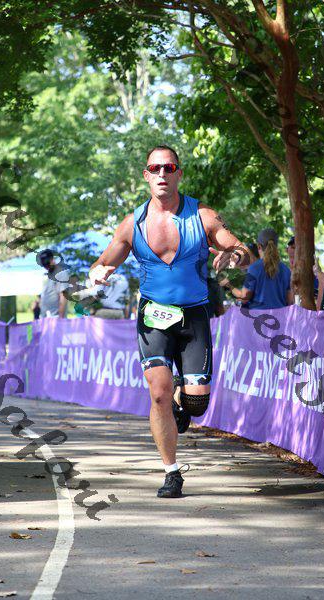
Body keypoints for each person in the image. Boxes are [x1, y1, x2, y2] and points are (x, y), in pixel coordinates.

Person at [89, 145, 250, 498]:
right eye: (155, 168)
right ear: (146, 175)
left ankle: (183, 393)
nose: (162, 173)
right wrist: (98, 273)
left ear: (179, 173)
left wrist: (234, 257)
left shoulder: (203, 216)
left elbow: (242, 249)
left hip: (194, 315)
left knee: (197, 404)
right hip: (153, 317)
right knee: (158, 395)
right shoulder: (132, 224)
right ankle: (171, 473)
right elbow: (103, 263)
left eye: (169, 167)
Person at [221, 228, 293, 309]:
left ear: (259, 246)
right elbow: (290, 301)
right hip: (280, 315)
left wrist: (229, 285)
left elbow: (244, 298)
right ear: (276, 246)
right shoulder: (286, 270)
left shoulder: (254, 268)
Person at [38, 249, 70, 318]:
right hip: (45, 317)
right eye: (44, 265)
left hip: (56, 318)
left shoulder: (61, 273)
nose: (46, 266)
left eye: (47, 263)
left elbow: (63, 296)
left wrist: (60, 319)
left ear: (52, 259)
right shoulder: (47, 275)